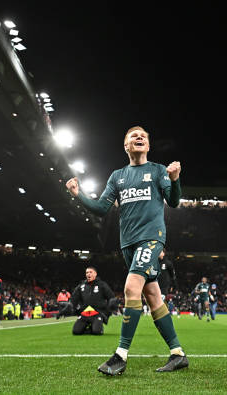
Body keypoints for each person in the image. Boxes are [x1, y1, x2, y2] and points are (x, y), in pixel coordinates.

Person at [66, 125, 187, 375]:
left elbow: (173, 202)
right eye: (134, 136)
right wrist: (78, 195)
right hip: (128, 244)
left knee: (131, 288)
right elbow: (101, 208)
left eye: (144, 136)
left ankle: (120, 356)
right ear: (126, 146)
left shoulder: (157, 171)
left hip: (151, 239)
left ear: (148, 145)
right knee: (153, 296)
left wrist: (175, 181)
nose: (139, 137)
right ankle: (178, 353)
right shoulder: (117, 176)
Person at [70, 266, 116, 336]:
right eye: (87, 272)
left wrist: (107, 311)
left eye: (90, 272)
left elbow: (111, 298)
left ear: (95, 274)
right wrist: (73, 309)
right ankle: (89, 328)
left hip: (97, 312)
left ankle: (96, 327)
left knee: (97, 332)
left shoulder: (102, 285)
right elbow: (74, 299)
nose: (88, 274)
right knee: (76, 331)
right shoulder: (81, 286)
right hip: (86, 312)